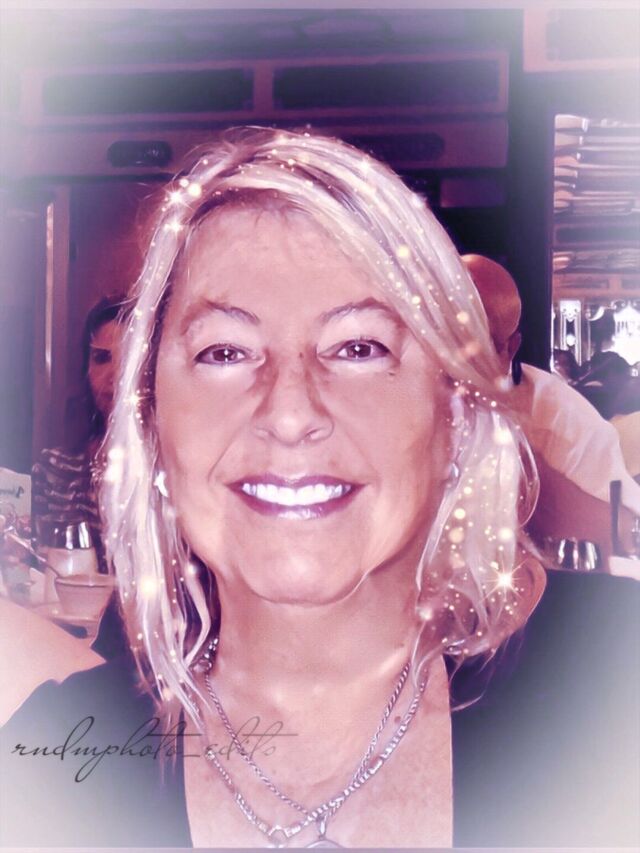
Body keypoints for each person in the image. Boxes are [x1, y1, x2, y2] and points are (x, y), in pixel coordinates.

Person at [1, 128, 638, 848]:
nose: (290, 411)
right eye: (224, 352)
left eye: (359, 347)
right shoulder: (53, 778)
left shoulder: (614, 687)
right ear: (152, 424)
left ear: (454, 414)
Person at [462, 254, 640, 541]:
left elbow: (625, 537)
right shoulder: (393, 399)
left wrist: (530, 476)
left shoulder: (564, 421)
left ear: (510, 349)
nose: (451, 362)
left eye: (475, 344)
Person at [31, 295, 128, 570]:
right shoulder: (56, 469)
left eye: (129, 359)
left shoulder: (174, 474)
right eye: (102, 358)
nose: (115, 375)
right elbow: (42, 570)